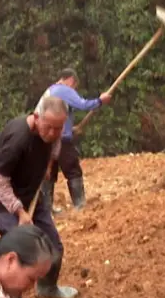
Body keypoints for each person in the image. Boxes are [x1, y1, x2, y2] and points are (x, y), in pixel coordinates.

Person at [0, 95, 78, 298]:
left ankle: (47, 288)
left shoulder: (53, 133)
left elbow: (54, 147)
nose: (53, 133)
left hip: (32, 193)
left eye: (58, 128)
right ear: (36, 117)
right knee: (20, 253)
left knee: (52, 245)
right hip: (4, 200)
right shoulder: (19, 138)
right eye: (49, 127)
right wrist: (19, 211)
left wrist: (48, 166)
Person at [39, 68, 112, 212]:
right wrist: (100, 101)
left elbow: (55, 117)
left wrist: (70, 129)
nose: (74, 90)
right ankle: (80, 205)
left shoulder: (52, 91)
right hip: (60, 140)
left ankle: (47, 210)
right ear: (71, 80)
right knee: (73, 169)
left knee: (49, 173)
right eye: (74, 86)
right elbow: (82, 104)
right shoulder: (64, 89)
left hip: (45, 138)